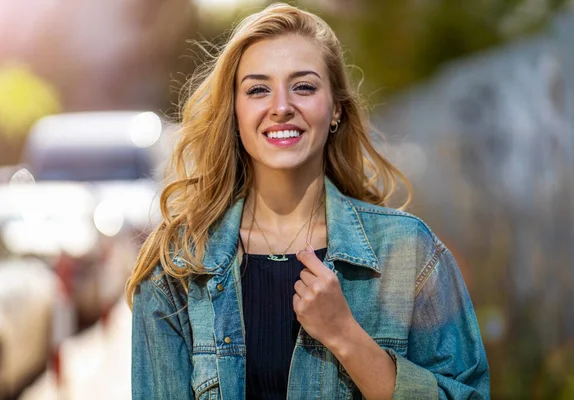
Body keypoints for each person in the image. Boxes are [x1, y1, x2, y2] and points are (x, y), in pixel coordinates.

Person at [126, 3, 490, 399]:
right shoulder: (179, 266)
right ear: (234, 112)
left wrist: (347, 337)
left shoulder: (409, 255)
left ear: (335, 109)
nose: (281, 107)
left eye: (303, 86)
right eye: (257, 89)